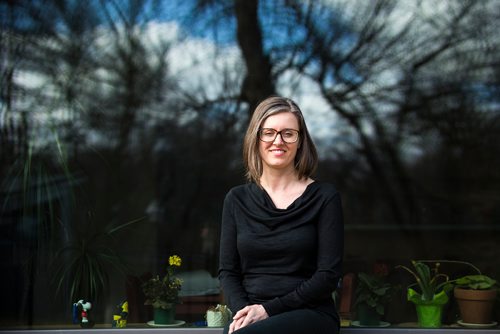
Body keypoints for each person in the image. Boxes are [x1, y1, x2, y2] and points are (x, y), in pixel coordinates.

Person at [218, 96, 344, 334]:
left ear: (300, 141)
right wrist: (246, 312)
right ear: (256, 138)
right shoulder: (236, 199)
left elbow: (328, 275)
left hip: (310, 314)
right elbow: (228, 271)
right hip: (252, 315)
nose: (278, 140)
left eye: (288, 133)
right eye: (269, 132)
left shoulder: (324, 197)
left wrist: (267, 311)